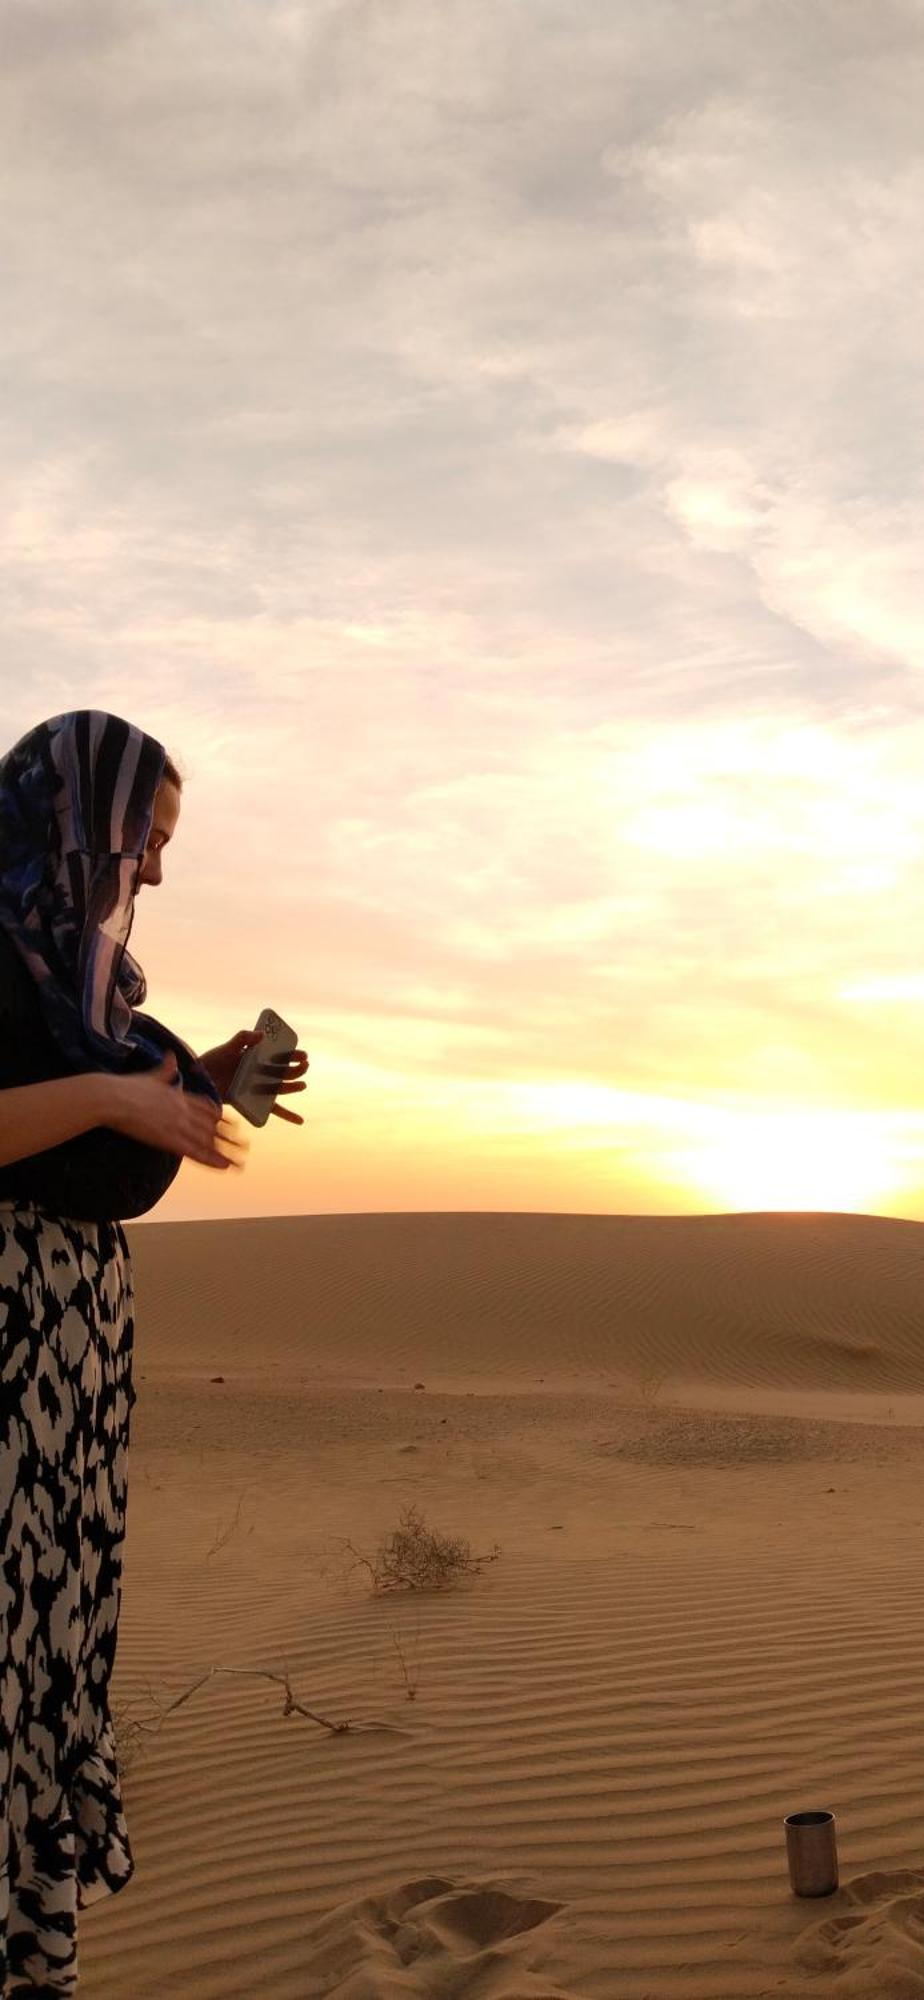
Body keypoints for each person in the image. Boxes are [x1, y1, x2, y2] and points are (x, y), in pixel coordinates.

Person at [0, 711, 309, 1995]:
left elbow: (124, 1099)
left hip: (71, 1346)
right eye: (148, 837)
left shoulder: (82, 974)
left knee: (51, 1646)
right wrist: (118, 1096)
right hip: (9, 1339)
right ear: (76, 820)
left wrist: (210, 1077)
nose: (159, 871)